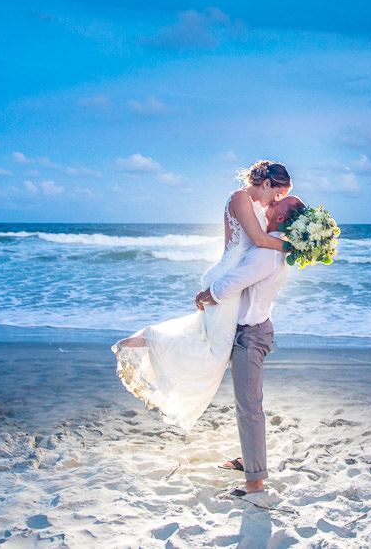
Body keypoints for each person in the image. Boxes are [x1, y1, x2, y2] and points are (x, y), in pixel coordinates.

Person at [111, 161, 291, 431]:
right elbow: (258, 239)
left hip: (232, 281)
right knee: (215, 353)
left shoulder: (255, 205)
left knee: (205, 340)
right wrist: (296, 247)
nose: (276, 201)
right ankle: (149, 339)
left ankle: (150, 340)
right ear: (266, 183)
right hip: (226, 278)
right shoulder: (240, 198)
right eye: (277, 194)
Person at [195, 195, 306, 496]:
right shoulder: (275, 246)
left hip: (250, 335)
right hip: (252, 330)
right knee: (247, 405)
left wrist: (207, 295)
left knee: (249, 409)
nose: (269, 204)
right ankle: (250, 459)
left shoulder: (267, 251)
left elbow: (236, 280)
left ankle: (254, 482)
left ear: (280, 218)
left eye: (276, 205)